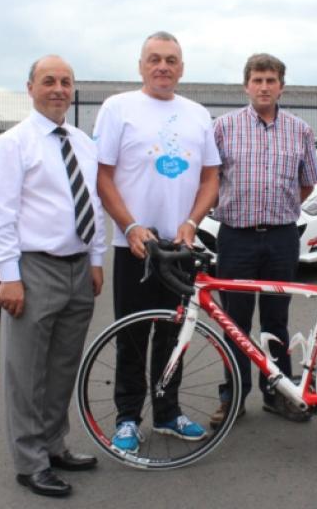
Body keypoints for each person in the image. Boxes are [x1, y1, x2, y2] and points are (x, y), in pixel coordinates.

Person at [0, 55, 107, 497]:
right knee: (26, 372)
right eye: (48, 81)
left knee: (61, 367)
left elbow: (92, 204)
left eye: (65, 82)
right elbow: (0, 213)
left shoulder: (83, 143)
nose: (58, 89)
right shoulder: (12, 145)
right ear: (30, 87)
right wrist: (8, 275)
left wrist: (95, 258)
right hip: (34, 268)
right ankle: (30, 462)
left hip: (77, 267)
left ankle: (55, 445)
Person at [94, 31, 220, 453]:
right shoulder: (118, 108)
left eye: (170, 60)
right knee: (132, 337)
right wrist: (130, 226)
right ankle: (128, 418)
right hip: (136, 246)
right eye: (154, 59)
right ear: (141, 65)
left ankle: (168, 413)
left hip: (179, 247)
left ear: (181, 68)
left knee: (174, 334)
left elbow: (211, 178)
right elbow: (103, 176)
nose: (162, 66)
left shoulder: (197, 114)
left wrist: (191, 222)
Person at [209, 53, 317, 428]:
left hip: (281, 238)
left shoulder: (300, 130)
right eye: (257, 80)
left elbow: (307, 183)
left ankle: (278, 394)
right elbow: (210, 179)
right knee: (234, 322)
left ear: (281, 87)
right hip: (236, 238)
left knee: (276, 320)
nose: (264, 86)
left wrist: (280, 209)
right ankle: (234, 396)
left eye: (271, 80)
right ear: (246, 85)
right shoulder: (223, 128)